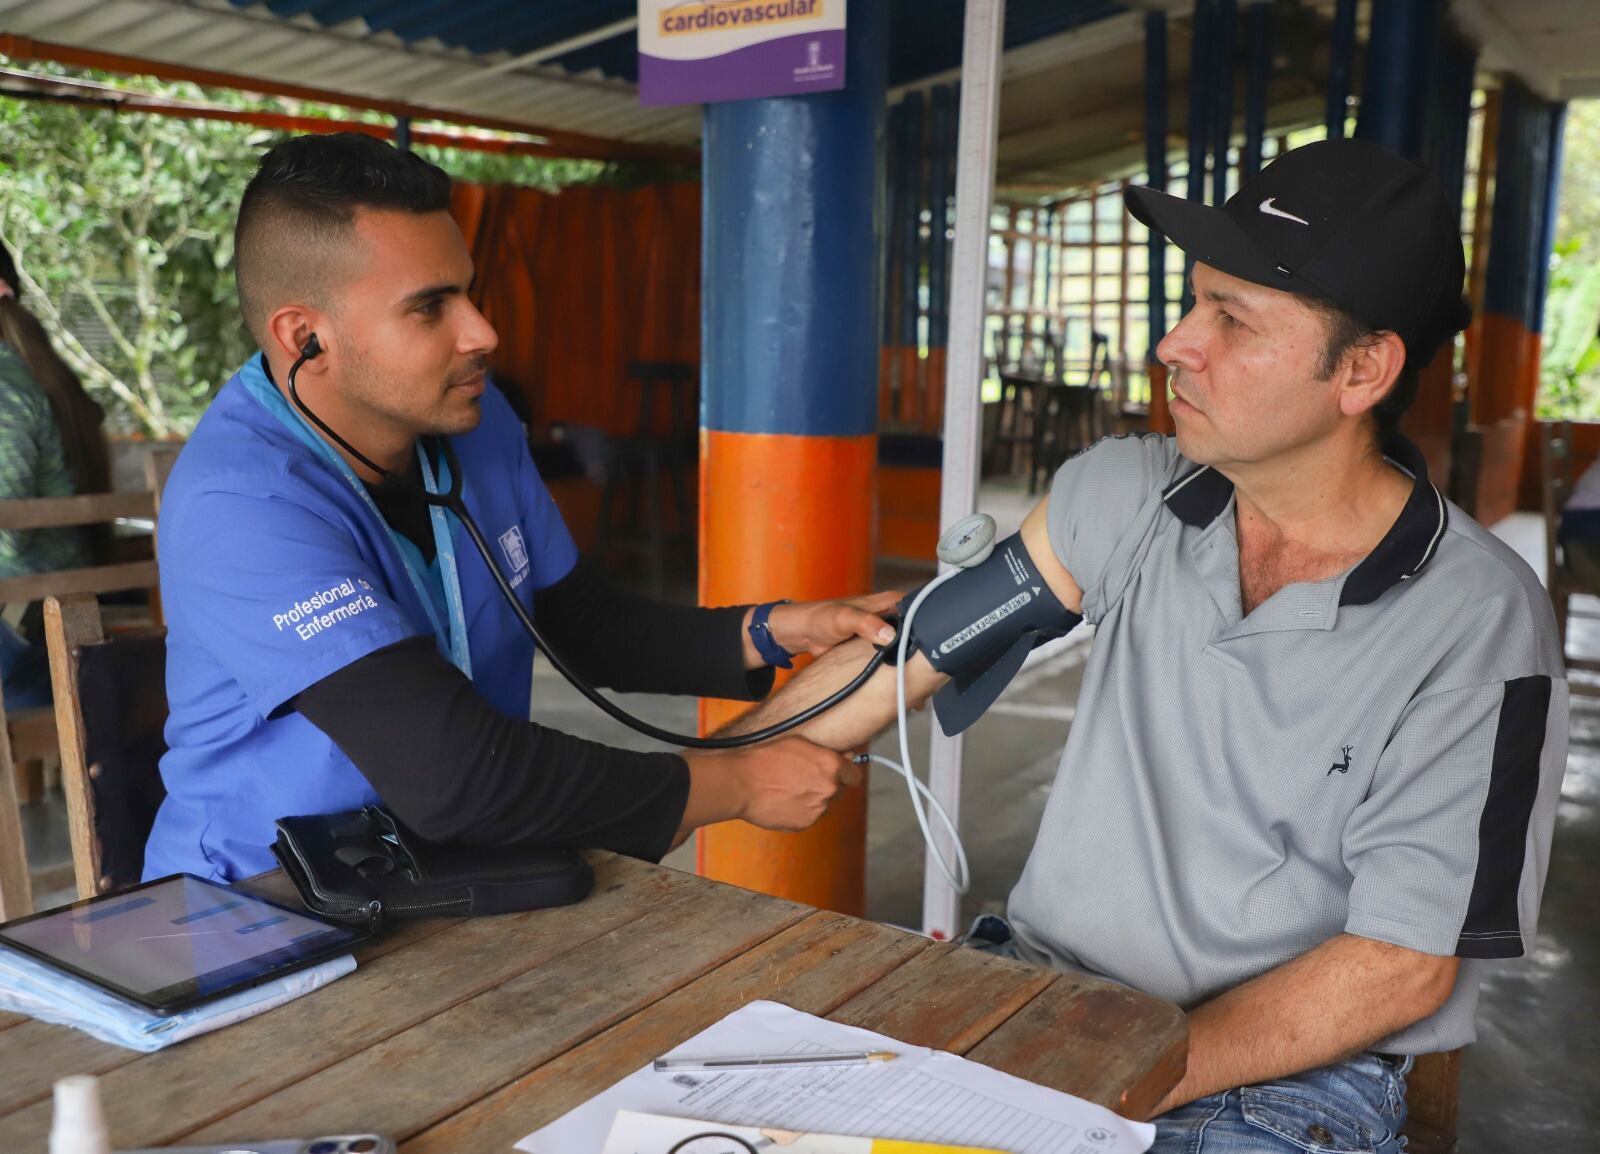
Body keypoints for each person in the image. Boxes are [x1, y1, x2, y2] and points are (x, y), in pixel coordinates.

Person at [725, 139, 1569, 1151]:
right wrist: (687, 783)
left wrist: (1113, 1078)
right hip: (1041, 992)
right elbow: (902, 655)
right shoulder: (1132, 493)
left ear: (1361, 370)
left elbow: (1401, 965)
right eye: (1192, 302)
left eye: (1232, 319)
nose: (1174, 343)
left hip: (1277, 1076)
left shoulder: (1476, 618)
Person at [144, 134, 899, 882]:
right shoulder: (238, 504)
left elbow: (583, 624)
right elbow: (453, 774)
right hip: (258, 906)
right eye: (430, 307)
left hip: (439, 875)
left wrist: (778, 629)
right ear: (306, 337)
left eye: (468, 292)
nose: (483, 332)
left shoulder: (476, 424)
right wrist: (735, 785)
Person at [0, 242, 112, 709]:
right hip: (58, 622)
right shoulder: (38, 369)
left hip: (32, 637)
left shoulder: (6, 384)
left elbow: (10, 535)